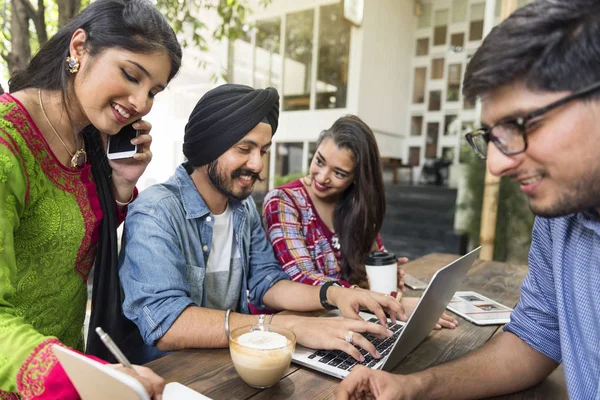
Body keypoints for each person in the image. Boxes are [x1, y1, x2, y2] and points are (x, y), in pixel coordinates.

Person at [336, 1, 600, 399]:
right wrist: (412, 387)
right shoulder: (558, 217)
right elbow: (535, 340)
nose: (495, 165)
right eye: (491, 136)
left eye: (518, 124)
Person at [118, 84, 409, 364]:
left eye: (263, 151)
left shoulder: (242, 208)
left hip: (231, 365)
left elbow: (266, 282)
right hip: (170, 379)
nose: (258, 164)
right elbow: (167, 326)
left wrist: (334, 293)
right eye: (245, 149)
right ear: (208, 146)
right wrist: (279, 326)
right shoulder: (155, 212)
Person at [0, 0, 182, 397]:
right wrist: (92, 379)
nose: (139, 102)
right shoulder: (5, 145)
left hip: (71, 362)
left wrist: (119, 185)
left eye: (154, 91)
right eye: (131, 75)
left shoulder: (89, 140)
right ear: (79, 49)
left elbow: (65, 240)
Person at [262, 115, 456, 329]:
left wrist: (387, 276)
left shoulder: (355, 206)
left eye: (339, 173)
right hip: (296, 326)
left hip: (347, 320)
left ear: (356, 177)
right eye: (319, 161)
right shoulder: (283, 201)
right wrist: (388, 302)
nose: (323, 177)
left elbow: (372, 260)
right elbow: (300, 276)